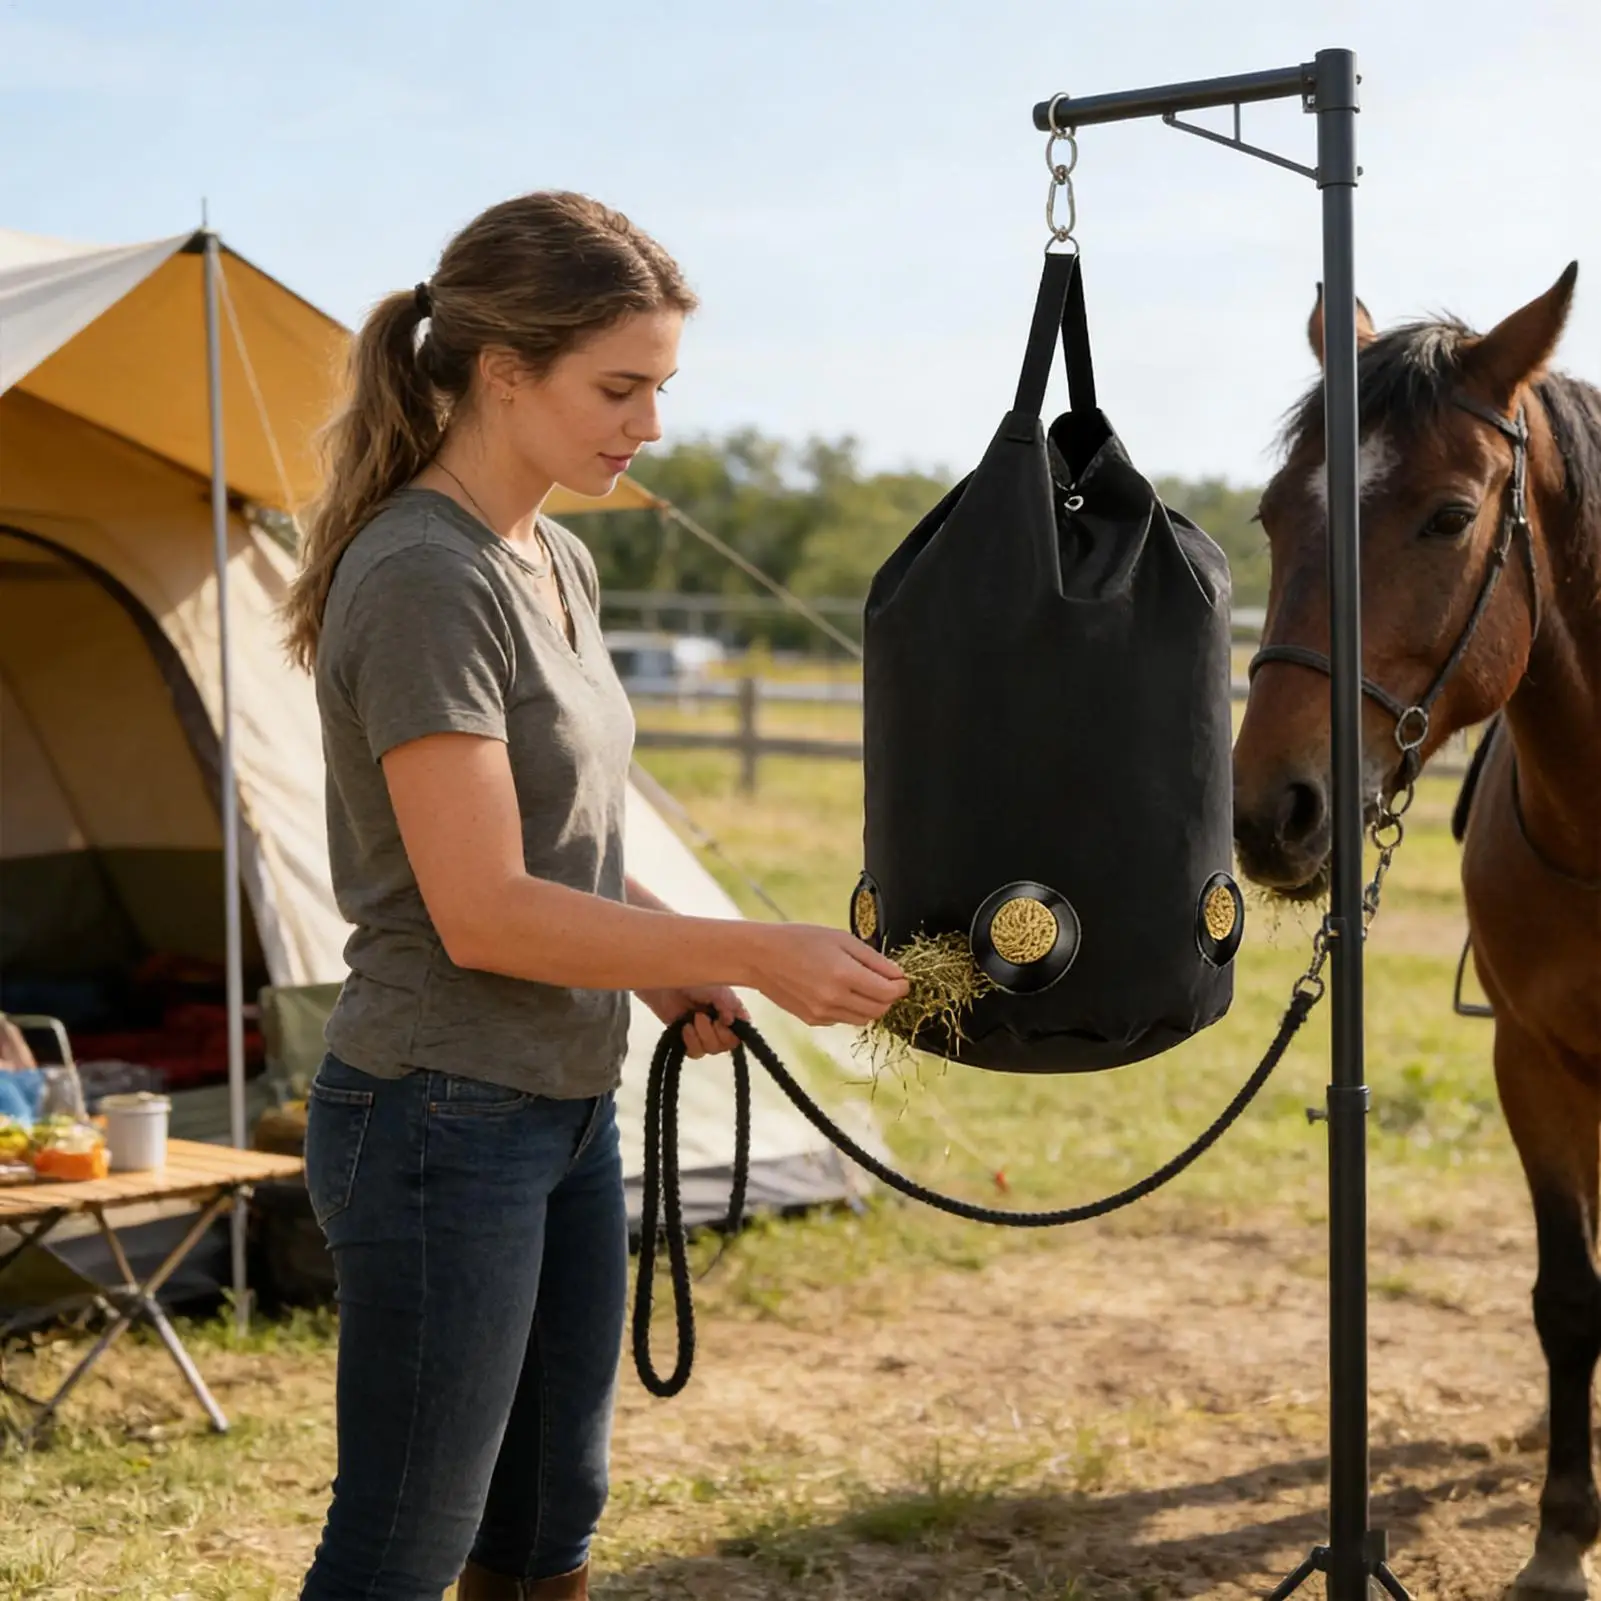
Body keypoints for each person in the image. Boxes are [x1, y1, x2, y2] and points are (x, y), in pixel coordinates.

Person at [282, 190, 906, 1601]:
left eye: (661, 388)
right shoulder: (427, 576)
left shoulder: (553, 553)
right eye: (619, 388)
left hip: (559, 1108)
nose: (652, 425)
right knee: (401, 1547)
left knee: (549, 1524)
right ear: (502, 372)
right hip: (439, 1116)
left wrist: (664, 962)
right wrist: (755, 944)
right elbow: (484, 909)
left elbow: (554, 838)